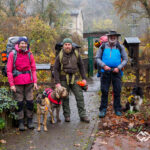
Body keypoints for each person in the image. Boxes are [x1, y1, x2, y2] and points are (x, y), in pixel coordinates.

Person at [54, 38, 90, 123]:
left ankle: (83, 115)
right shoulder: (60, 55)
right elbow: (55, 69)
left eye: (69, 44)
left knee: (79, 96)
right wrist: (57, 83)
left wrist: (84, 78)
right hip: (63, 79)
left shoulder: (76, 53)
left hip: (75, 78)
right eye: (65, 44)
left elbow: (81, 66)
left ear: (71, 45)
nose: (67, 46)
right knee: (65, 97)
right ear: (63, 46)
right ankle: (67, 116)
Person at [7, 37, 38, 131]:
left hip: (29, 82)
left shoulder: (29, 54)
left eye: (25, 43)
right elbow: (9, 70)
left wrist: (35, 82)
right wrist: (11, 84)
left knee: (30, 102)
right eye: (22, 43)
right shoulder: (13, 54)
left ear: (27, 44)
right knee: (19, 102)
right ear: (18, 44)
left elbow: (33, 68)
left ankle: (30, 120)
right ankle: (20, 122)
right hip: (17, 82)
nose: (23, 45)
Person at [96, 31, 128, 118]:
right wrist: (104, 66)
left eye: (114, 36)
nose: (113, 37)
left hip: (117, 72)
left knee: (117, 90)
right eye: (111, 36)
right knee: (104, 91)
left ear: (116, 37)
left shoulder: (120, 47)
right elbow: (97, 58)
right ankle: (102, 109)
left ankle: (117, 109)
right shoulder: (102, 46)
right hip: (105, 72)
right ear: (108, 37)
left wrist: (119, 67)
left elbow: (125, 59)